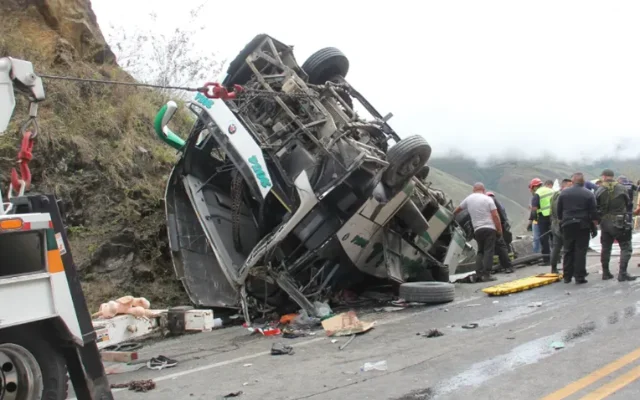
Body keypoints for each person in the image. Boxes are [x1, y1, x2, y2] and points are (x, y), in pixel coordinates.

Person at [454, 183, 503, 282]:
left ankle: (479, 273)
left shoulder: (469, 199)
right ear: (483, 190)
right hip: (489, 228)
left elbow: (457, 210)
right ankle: (487, 274)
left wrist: (452, 216)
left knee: (480, 251)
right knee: (489, 250)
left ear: (474, 189)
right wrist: (499, 229)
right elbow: (495, 216)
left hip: (477, 230)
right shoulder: (488, 199)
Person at [557, 172, 598, 284]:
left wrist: (562, 220)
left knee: (568, 250)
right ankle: (579, 277)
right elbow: (593, 212)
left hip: (567, 224)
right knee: (580, 251)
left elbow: (559, 211)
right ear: (583, 182)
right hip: (583, 225)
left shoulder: (564, 193)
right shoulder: (589, 194)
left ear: (572, 181)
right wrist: (594, 225)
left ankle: (567, 277)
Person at [596, 169, 636, 281]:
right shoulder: (622, 188)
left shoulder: (599, 189)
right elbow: (629, 203)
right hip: (619, 221)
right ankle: (622, 273)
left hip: (604, 222)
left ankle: (606, 273)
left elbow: (595, 205)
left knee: (606, 248)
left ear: (604, 176)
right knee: (625, 247)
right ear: (612, 176)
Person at [486, 192, 514, 273]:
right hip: (502, 226)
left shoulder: (490, 202)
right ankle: (508, 265)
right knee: (505, 245)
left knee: (496, 246)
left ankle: (495, 266)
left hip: (495, 227)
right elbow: (503, 215)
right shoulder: (498, 203)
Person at [527, 178, 553, 264]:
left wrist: (534, 220)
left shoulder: (537, 194)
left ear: (534, 187)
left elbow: (534, 209)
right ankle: (557, 257)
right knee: (553, 237)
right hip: (553, 217)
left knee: (543, 238)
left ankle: (546, 260)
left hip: (543, 218)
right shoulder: (551, 190)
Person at [550, 178, 573, 274]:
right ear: (565, 185)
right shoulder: (564, 196)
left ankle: (554, 268)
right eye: (570, 185)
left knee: (556, 247)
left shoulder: (554, 195)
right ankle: (568, 269)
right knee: (568, 248)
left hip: (554, 224)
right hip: (563, 224)